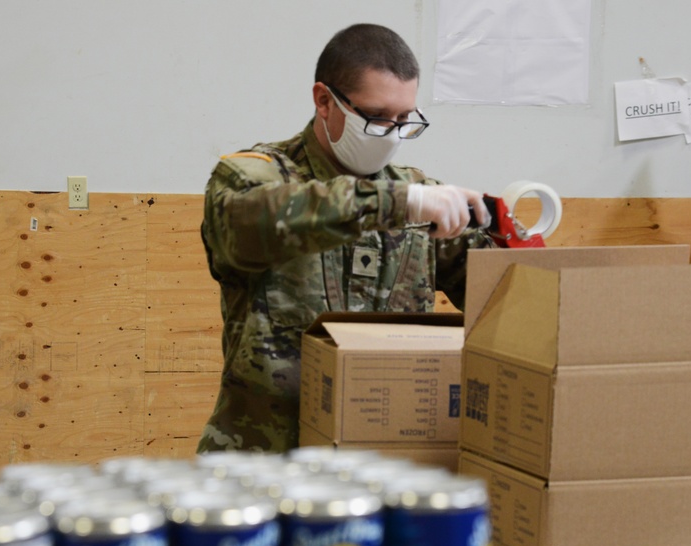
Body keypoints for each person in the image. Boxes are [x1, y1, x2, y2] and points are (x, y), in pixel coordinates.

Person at [197, 23, 497, 453]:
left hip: (383, 466)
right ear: (324, 100)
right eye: (376, 118)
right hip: (264, 463)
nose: (392, 133)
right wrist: (398, 202)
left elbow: (499, 294)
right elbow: (254, 225)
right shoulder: (252, 176)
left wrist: (507, 235)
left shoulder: (419, 194)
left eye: (404, 120)